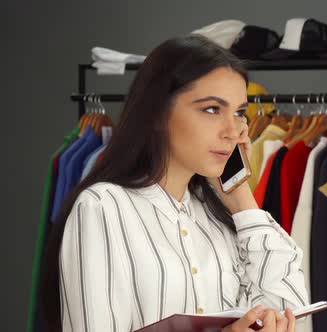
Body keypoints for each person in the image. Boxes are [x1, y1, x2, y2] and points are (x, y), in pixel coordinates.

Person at [40, 35, 307, 332]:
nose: (233, 131)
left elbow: (288, 310)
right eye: (211, 110)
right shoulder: (103, 207)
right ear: (157, 113)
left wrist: (242, 197)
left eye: (239, 113)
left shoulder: (222, 218)